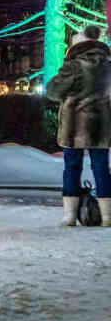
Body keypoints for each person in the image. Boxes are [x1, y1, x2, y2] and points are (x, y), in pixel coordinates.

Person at [47, 24, 111, 227]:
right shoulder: (109, 65)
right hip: (101, 125)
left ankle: (70, 216)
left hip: (75, 125)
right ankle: (107, 216)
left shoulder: (73, 66)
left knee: (72, 168)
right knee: (101, 168)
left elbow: (53, 91)